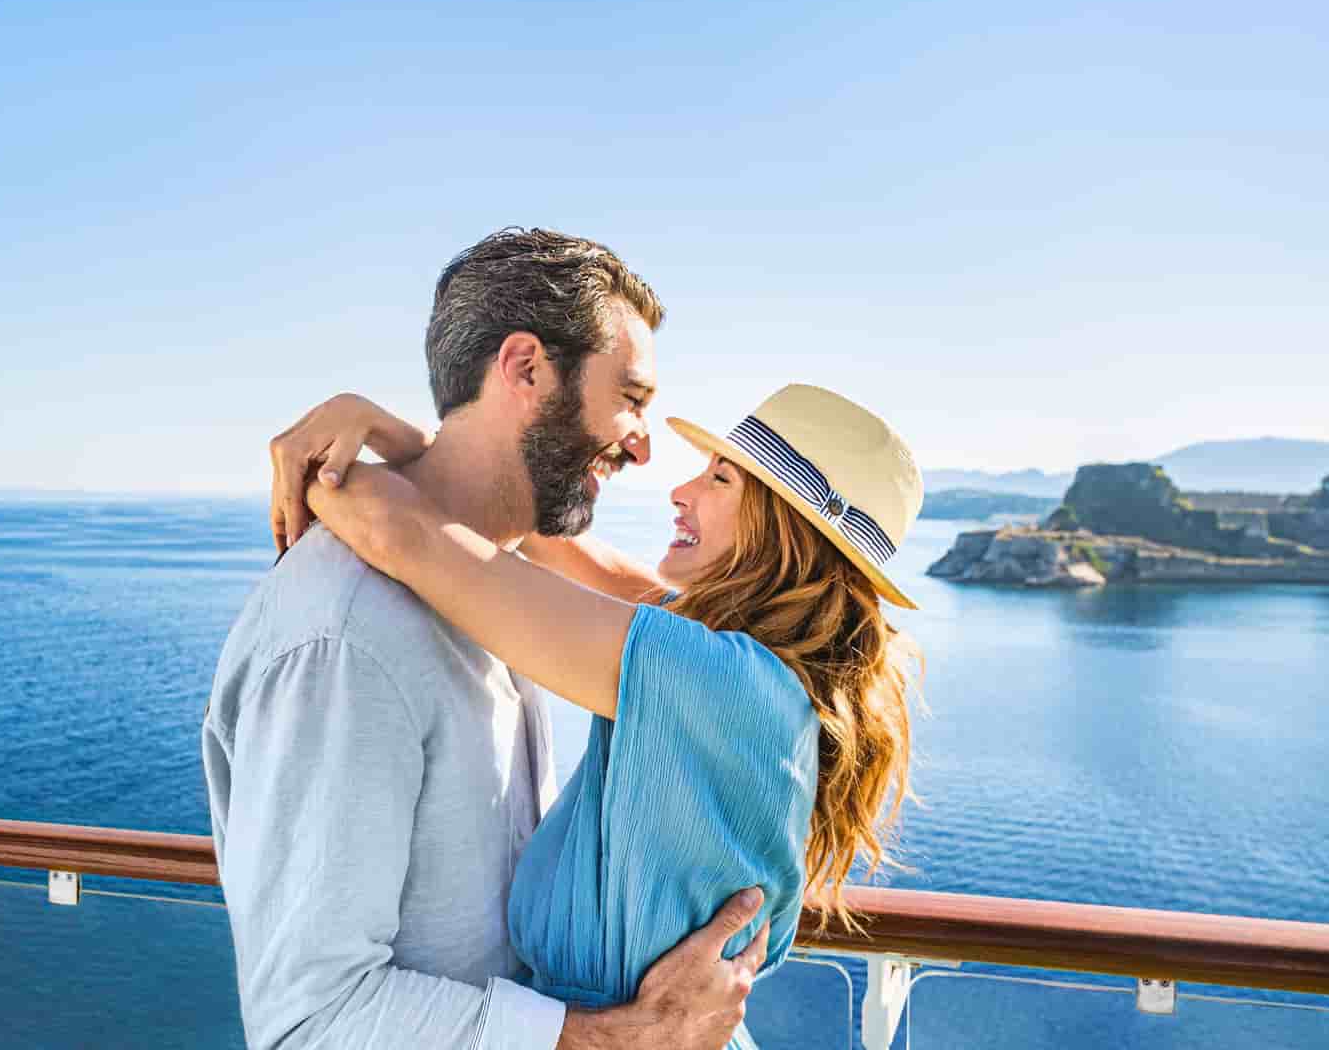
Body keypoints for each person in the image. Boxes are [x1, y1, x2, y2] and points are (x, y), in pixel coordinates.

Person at [203, 228, 768, 1050]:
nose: (643, 447)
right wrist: (620, 1040)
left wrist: (398, 442)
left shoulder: (496, 594)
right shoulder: (346, 638)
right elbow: (309, 1023)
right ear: (526, 368)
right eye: (633, 399)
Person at [273, 381, 923, 1049]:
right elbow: (547, 539)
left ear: (783, 531)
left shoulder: (713, 678)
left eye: (720, 479)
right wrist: (387, 428)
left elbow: (398, 531)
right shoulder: (756, 676)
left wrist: (325, 461)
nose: (682, 490)